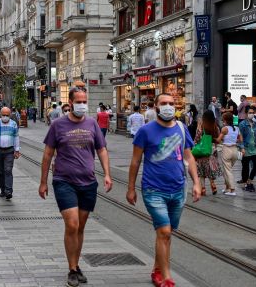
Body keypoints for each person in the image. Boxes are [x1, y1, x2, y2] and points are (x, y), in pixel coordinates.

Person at [40, 85, 112, 287]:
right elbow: (47, 154)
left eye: (84, 101)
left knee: (80, 227)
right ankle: (71, 269)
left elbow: (102, 150)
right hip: (64, 181)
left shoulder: (92, 124)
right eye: (78, 101)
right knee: (72, 224)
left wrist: (107, 174)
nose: (82, 105)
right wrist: (43, 182)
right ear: (70, 103)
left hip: (88, 182)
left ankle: (76, 264)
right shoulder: (58, 125)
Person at [126, 93, 201, 287]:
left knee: (166, 234)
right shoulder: (145, 131)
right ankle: (167, 277)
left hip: (178, 188)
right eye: (164, 103)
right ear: (156, 107)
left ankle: (157, 270)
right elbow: (135, 161)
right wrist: (131, 188)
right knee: (165, 231)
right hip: (153, 189)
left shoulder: (182, 129)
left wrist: (197, 183)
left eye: (171, 103)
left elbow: (189, 157)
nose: (168, 106)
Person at [0, 107, 21, 200]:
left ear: (10, 115)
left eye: (7, 115)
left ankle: (8, 191)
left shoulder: (13, 124)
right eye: (3, 115)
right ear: (0, 114)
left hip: (9, 151)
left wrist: (17, 150)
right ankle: (3, 190)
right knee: (1, 171)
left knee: (8, 170)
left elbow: (16, 137)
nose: (5, 117)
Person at [194, 110, 221, 196]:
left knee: (201, 171)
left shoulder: (201, 126)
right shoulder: (215, 127)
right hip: (212, 151)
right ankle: (213, 185)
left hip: (203, 150)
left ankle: (203, 189)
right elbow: (218, 140)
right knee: (210, 169)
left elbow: (197, 139)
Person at [218, 112, 243, 196]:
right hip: (235, 150)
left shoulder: (224, 129)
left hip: (226, 149)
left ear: (225, 120)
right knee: (227, 170)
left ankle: (232, 189)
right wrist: (233, 140)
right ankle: (227, 188)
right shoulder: (237, 128)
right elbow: (240, 140)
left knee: (228, 171)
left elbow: (218, 140)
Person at [238, 106, 256, 192]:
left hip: (254, 147)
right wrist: (242, 147)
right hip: (246, 148)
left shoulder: (255, 124)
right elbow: (241, 137)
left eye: (252, 112)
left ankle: (250, 181)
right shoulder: (242, 124)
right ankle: (245, 184)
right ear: (246, 114)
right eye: (250, 112)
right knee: (245, 167)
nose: (251, 114)